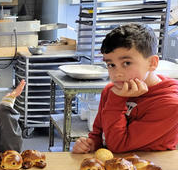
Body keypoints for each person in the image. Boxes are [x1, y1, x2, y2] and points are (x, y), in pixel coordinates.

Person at [72, 23, 178, 154]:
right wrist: (91, 144)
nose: (117, 74)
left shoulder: (170, 104)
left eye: (126, 63)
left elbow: (118, 146)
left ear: (152, 63)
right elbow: (99, 134)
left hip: (148, 169)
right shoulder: (112, 90)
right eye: (111, 64)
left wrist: (117, 101)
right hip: (114, 167)